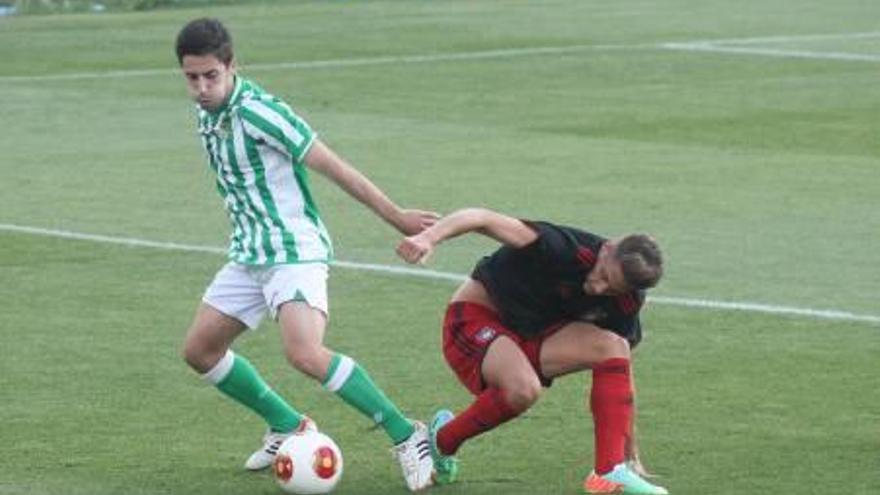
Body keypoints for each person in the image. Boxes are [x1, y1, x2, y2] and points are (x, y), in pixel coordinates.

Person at [174, 18, 437, 491]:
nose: (201, 87)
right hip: (250, 252)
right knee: (200, 350)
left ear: (233, 66)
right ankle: (288, 426)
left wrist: (397, 216)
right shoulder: (207, 114)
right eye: (191, 77)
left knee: (305, 353)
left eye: (211, 75)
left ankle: (408, 435)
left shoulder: (260, 112)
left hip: (294, 250)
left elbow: (333, 166)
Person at [396, 207, 669, 495]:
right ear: (608, 247)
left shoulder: (626, 301)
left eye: (611, 289)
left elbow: (621, 368)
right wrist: (428, 238)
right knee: (523, 388)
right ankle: (440, 441)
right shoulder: (561, 247)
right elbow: (481, 217)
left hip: (528, 336)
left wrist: (625, 440)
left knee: (614, 346)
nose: (598, 288)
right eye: (602, 275)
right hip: (474, 320)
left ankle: (609, 471)